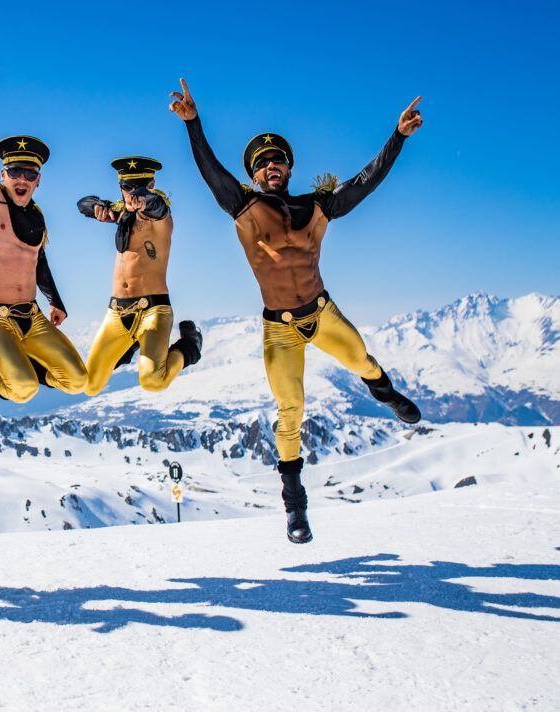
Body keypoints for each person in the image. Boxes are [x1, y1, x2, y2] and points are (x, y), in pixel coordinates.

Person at [168, 79, 424, 544]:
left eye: (278, 160)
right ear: (253, 172)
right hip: (280, 328)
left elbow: (366, 181)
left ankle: (386, 396)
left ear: (288, 168)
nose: (271, 166)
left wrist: (398, 136)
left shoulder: (318, 206)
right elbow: (210, 171)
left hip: (322, 312)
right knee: (291, 411)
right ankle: (296, 507)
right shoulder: (243, 206)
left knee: (362, 360)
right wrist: (193, 124)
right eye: (262, 163)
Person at [0, 49, 86, 404]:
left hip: (33, 315)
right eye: (15, 172)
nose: (22, 178)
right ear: (3, 174)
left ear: (39, 180)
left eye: (30, 173)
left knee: (76, 380)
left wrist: (56, 300)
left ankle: (18, 364)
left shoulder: (37, 216)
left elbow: (37, 261)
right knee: (23, 390)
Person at [77, 157, 202, 396]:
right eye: (127, 186)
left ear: (152, 184)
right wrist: (99, 207)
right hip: (117, 311)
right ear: (120, 187)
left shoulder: (160, 216)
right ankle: (132, 343)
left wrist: (145, 199)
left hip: (152, 310)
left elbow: (156, 205)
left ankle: (190, 346)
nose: (133, 192)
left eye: (141, 185)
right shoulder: (122, 213)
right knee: (90, 385)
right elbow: (82, 204)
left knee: (153, 381)